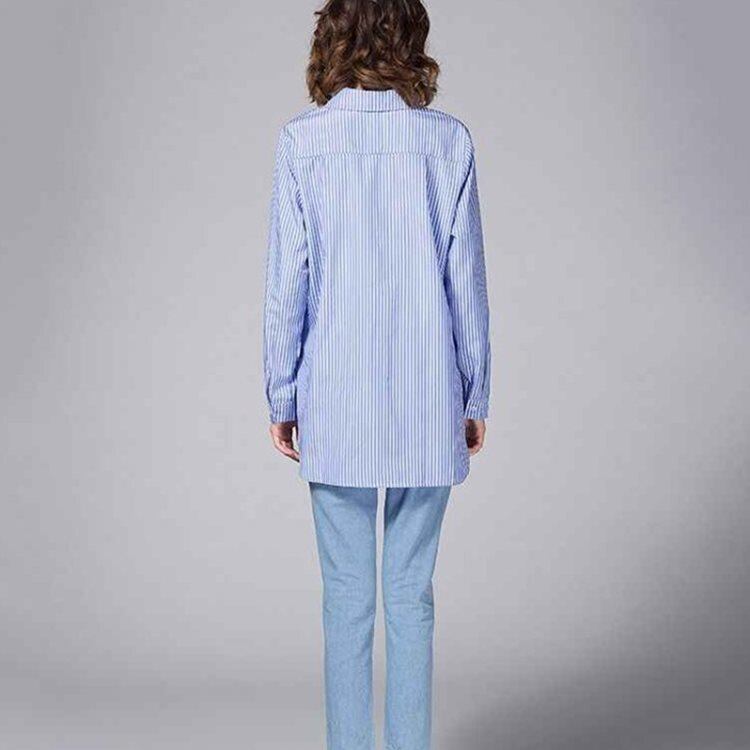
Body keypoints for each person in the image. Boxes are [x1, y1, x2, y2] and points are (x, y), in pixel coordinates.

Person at [263, 1, 490, 747]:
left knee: (346, 599)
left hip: (333, 399)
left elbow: (288, 283)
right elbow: (465, 282)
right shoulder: (446, 142)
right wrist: (474, 390)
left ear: (332, 38)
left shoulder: (303, 143)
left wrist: (282, 392)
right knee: (411, 596)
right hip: (430, 397)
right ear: (410, 38)